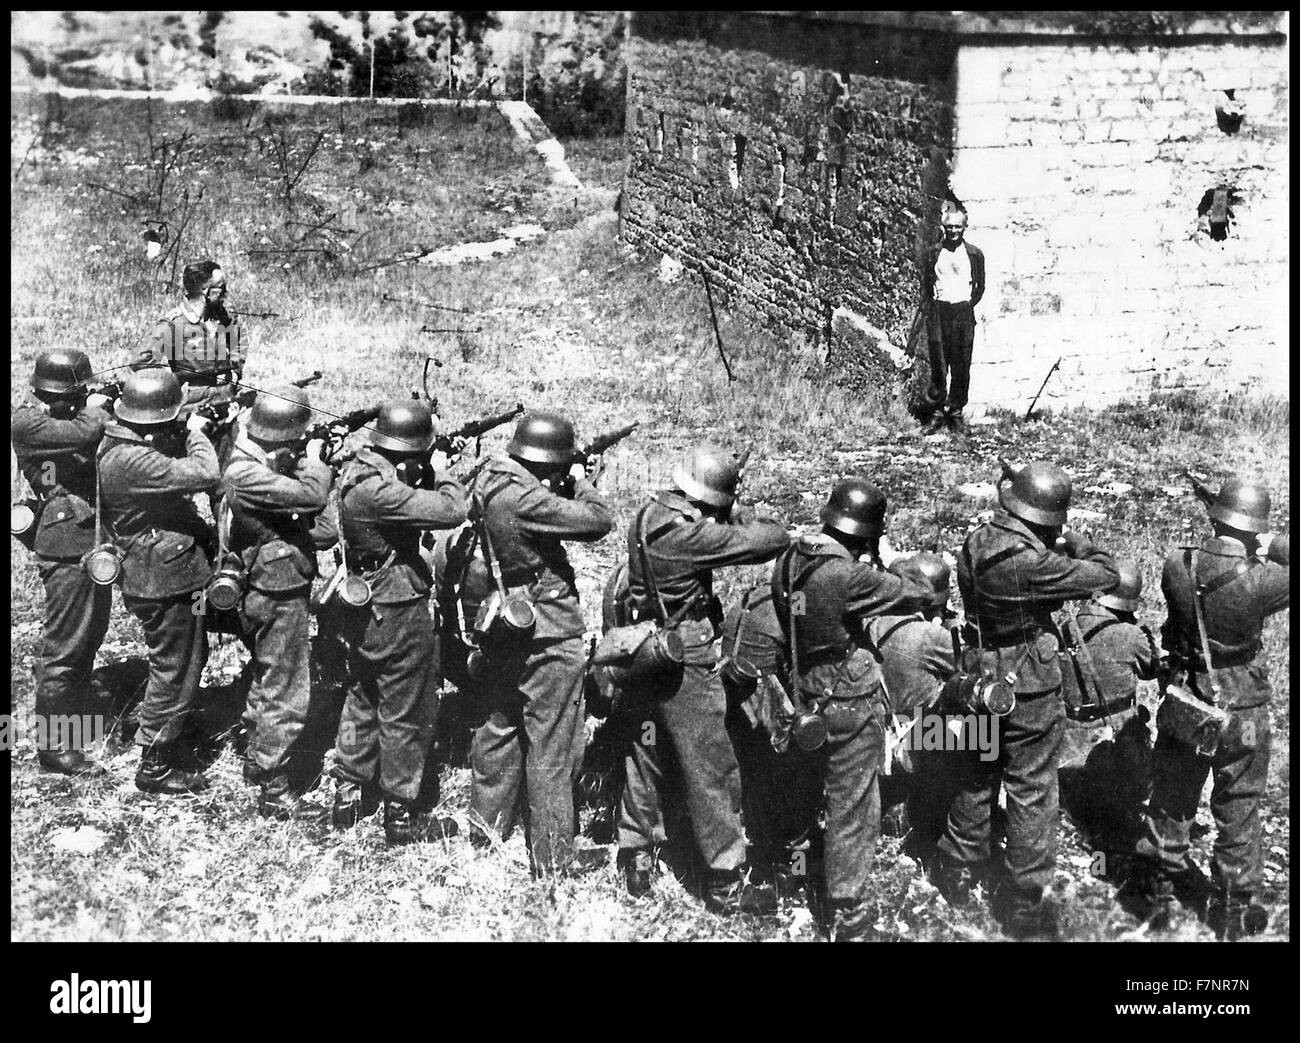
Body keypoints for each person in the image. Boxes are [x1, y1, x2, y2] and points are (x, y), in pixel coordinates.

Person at [934, 460, 1119, 939]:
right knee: (1032, 786)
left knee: (976, 770)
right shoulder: (1031, 563)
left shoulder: (978, 541)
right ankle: (1024, 898)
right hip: (1027, 684)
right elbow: (1104, 577)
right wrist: (1079, 541)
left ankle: (957, 868)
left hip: (979, 676)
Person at [614, 445, 789, 913]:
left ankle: (637, 854)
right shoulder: (691, 536)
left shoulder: (650, 512)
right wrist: (737, 510)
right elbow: (773, 538)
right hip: (685, 654)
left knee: (646, 747)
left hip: (645, 646)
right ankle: (724, 880)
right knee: (710, 764)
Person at [769, 479, 933, 940]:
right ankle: (846, 913)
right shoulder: (850, 576)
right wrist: (892, 555)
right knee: (853, 803)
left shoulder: (790, 560)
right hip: (848, 697)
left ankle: (792, 872)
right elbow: (919, 590)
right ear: (866, 530)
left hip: (803, 689)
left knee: (802, 784)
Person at [1134, 478, 1288, 940]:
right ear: (1253, 527)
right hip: (1242, 709)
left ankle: (1155, 899)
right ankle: (1236, 914)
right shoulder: (1262, 581)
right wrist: (1270, 539)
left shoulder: (1176, 564)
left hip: (1188, 701)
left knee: (1173, 795)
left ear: (1216, 517)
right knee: (1239, 807)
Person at [467, 411, 614, 876]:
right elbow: (598, 522)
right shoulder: (528, 500)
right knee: (553, 745)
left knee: (501, 724)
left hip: (506, 624)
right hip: (546, 632)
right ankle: (553, 858)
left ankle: (485, 826)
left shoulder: (494, 478)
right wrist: (580, 482)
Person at [326, 398, 467, 845]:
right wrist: (443, 470)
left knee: (364, 695)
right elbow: (452, 510)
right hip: (398, 610)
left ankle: (347, 794)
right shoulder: (379, 493)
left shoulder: (360, 471)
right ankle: (401, 811)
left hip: (365, 612)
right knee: (408, 708)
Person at [98, 368, 222, 793]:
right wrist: (195, 431)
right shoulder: (133, 460)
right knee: (175, 665)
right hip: (163, 579)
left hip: (155, 573)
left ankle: (161, 727)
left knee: (182, 658)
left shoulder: (121, 443)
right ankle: (155, 762)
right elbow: (206, 472)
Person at [222, 384, 338, 819]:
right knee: (287, 688)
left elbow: (321, 530)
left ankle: (258, 756)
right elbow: (312, 497)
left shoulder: (258, 462)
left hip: (268, 585)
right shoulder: (244, 473)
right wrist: (317, 463)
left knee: (268, 674)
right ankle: (275, 787)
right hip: (274, 590)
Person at [11, 350, 115, 775]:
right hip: (65, 544)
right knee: (65, 647)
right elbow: (86, 432)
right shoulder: (28, 422)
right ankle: (55, 745)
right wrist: (98, 407)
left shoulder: (62, 419)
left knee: (89, 635)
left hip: (90, 540)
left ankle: (77, 710)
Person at [1058, 563, 1160, 852]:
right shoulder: (1130, 635)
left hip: (1069, 738)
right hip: (1113, 737)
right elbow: (1151, 669)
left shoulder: (1066, 627)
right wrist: (1141, 629)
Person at [865, 553, 959, 843]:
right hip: (919, 734)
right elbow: (965, 668)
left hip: (878, 729)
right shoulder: (930, 635)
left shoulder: (871, 625)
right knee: (983, 730)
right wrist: (950, 624)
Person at [134, 259, 243, 410]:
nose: (226, 294)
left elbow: (237, 347)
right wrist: (171, 380)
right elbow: (141, 361)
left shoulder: (225, 317)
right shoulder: (174, 324)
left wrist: (236, 373)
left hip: (228, 398)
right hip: (193, 405)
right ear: (205, 291)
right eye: (221, 289)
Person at [921, 205, 985, 434]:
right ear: (943, 228)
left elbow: (980, 287)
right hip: (940, 312)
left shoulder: (974, 254)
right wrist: (933, 308)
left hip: (962, 313)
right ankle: (937, 412)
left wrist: (966, 306)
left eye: (958, 226)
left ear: (965, 227)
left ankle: (955, 412)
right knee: (939, 363)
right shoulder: (933, 253)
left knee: (961, 364)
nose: (953, 231)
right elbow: (927, 286)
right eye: (949, 227)